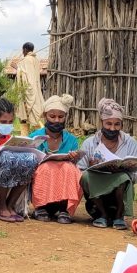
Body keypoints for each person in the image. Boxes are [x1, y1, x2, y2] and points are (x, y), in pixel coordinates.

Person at [78, 98, 137, 230]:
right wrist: (92, 168)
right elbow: (79, 172)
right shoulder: (89, 143)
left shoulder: (130, 143)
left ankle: (119, 215)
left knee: (123, 178)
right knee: (86, 176)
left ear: (122, 124)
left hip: (120, 190)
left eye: (117, 124)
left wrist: (125, 171)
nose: (113, 128)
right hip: (96, 194)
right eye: (108, 124)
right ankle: (103, 214)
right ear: (101, 122)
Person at [29, 95, 83, 224]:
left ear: (65, 117)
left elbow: (76, 164)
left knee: (70, 168)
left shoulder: (71, 140)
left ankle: (65, 209)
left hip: (63, 178)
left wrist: (73, 159)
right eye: (52, 116)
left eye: (61, 117)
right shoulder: (35, 137)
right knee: (44, 168)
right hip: (42, 175)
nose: (57, 120)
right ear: (45, 116)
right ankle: (41, 206)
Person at [14, 42, 45, 135]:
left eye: (23, 50)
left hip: (27, 93)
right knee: (34, 116)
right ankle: (35, 136)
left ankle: (30, 137)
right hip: (35, 91)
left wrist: (17, 68)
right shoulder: (36, 60)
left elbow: (25, 76)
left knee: (27, 117)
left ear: (25, 50)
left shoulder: (26, 60)